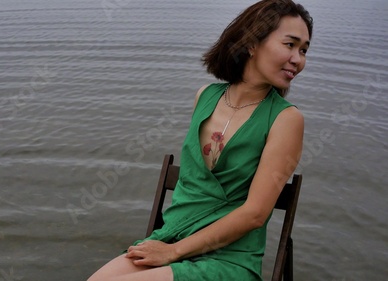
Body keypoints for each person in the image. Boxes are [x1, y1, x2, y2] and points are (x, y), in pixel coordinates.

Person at [88, 0, 313, 280]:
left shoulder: (286, 120)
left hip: (230, 259)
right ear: (253, 43)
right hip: (173, 235)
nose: (298, 59)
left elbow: (255, 214)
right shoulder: (205, 96)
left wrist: (174, 252)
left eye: (303, 49)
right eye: (290, 45)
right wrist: (170, 247)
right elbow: (195, 183)